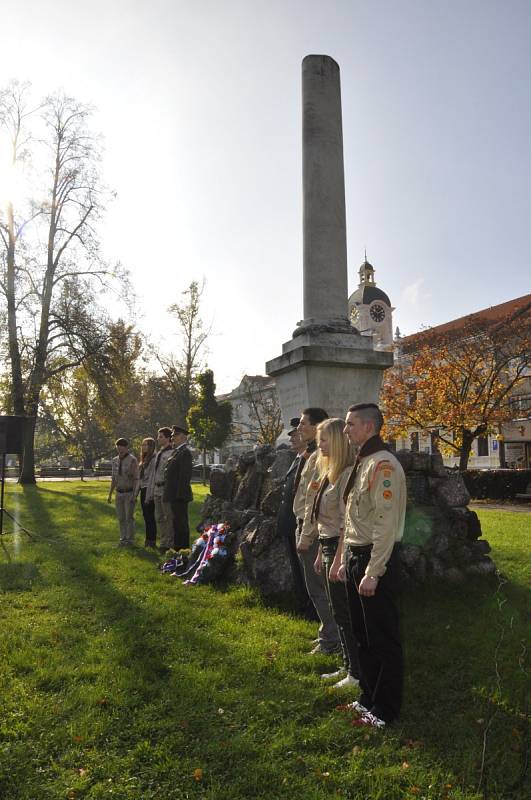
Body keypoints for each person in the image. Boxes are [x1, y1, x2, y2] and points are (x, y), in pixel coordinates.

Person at [338, 403, 406, 728]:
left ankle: (385, 710)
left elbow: (385, 524)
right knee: (362, 635)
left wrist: (372, 572)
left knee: (382, 638)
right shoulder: (364, 461)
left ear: (368, 427)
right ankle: (368, 697)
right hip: (357, 556)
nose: (345, 430)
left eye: (350, 424)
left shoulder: (383, 466)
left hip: (373, 561)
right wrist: (347, 560)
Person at [310, 417, 360, 688]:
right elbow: (324, 521)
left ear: (338, 442)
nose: (320, 445)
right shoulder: (331, 473)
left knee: (344, 612)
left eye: (325, 440)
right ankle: (348, 666)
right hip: (328, 546)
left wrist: (337, 558)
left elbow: (345, 524)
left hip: (339, 548)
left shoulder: (346, 475)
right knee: (337, 610)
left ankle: (356, 673)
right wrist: (321, 552)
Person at [294, 407, 340, 655]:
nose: (299, 428)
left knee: (322, 589)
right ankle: (328, 633)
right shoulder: (312, 455)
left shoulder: (324, 458)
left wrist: (306, 535)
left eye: (303, 424)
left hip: (313, 530)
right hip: (305, 525)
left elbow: (314, 499)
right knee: (315, 589)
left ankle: (332, 640)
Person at [276, 418, 312, 613]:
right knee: (297, 569)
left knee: (304, 571)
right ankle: (303, 605)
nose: (291, 439)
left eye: (295, 435)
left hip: (299, 523)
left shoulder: (308, 459)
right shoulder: (298, 458)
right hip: (290, 522)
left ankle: (310, 609)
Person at [164, 424, 193, 550]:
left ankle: (183, 551)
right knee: (176, 525)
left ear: (183, 437)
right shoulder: (177, 452)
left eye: (175, 435)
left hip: (179, 495)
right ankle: (178, 551)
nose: (172, 438)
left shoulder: (185, 453)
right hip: (174, 494)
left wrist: (179, 495)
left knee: (181, 525)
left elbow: (184, 477)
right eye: (172, 435)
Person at [108, 437, 138, 547]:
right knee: (121, 518)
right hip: (119, 493)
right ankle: (122, 538)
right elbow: (114, 479)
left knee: (128, 517)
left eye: (122, 447)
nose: (119, 449)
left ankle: (130, 540)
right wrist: (110, 494)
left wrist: (134, 495)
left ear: (126, 448)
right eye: (118, 447)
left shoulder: (132, 460)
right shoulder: (115, 460)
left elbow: (136, 479)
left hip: (129, 492)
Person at [149, 427, 174, 553]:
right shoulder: (159, 453)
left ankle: (170, 543)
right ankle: (163, 541)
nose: (158, 439)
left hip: (165, 489)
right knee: (159, 517)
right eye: (158, 436)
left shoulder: (172, 453)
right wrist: (152, 490)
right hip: (157, 489)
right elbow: (154, 473)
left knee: (168, 517)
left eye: (161, 437)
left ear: (168, 438)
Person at [136, 437, 157, 548]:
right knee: (146, 516)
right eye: (142, 445)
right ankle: (148, 540)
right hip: (143, 490)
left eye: (146, 445)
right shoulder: (143, 461)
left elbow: (152, 478)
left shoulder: (154, 459)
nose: (143, 447)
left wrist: (149, 495)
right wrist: (135, 494)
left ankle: (151, 540)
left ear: (151, 446)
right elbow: (140, 479)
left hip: (150, 490)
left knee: (150, 517)